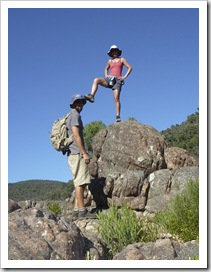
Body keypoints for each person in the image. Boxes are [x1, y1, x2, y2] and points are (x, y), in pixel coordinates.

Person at [66, 94, 96, 220]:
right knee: (80, 181)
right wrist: (84, 152)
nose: (80, 105)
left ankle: (77, 209)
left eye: (82, 102)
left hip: (73, 153)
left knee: (79, 181)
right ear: (73, 104)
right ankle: (82, 211)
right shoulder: (75, 116)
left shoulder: (70, 116)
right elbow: (76, 135)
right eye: (78, 102)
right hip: (76, 153)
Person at [84, 45, 133, 122]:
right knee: (96, 80)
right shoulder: (109, 61)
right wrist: (106, 76)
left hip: (117, 80)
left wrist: (124, 76)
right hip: (109, 79)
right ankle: (92, 96)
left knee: (116, 98)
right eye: (112, 51)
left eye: (115, 50)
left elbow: (130, 67)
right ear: (111, 52)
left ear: (117, 51)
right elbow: (106, 68)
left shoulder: (122, 59)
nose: (114, 52)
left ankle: (117, 116)